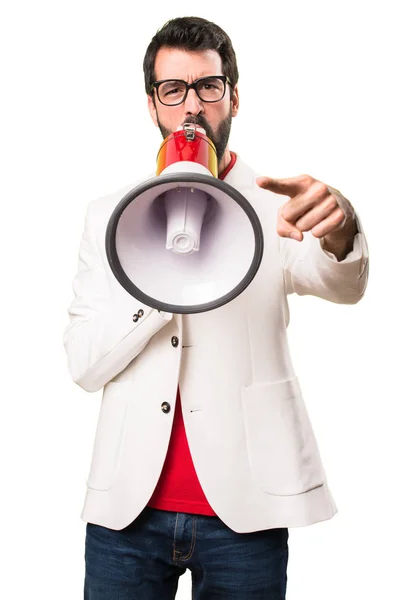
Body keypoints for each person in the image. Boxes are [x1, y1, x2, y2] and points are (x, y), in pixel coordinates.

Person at [63, 16, 369, 600]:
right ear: (152, 105)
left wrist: (339, 225)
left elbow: (343, 285)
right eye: (172, 90)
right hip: (127, 513)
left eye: (209, 86)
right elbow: (82, 364)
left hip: (244, 512)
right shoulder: (109, 218)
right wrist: (156, 281)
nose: (191, 108)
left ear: (233, 97)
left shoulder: (276, 204)